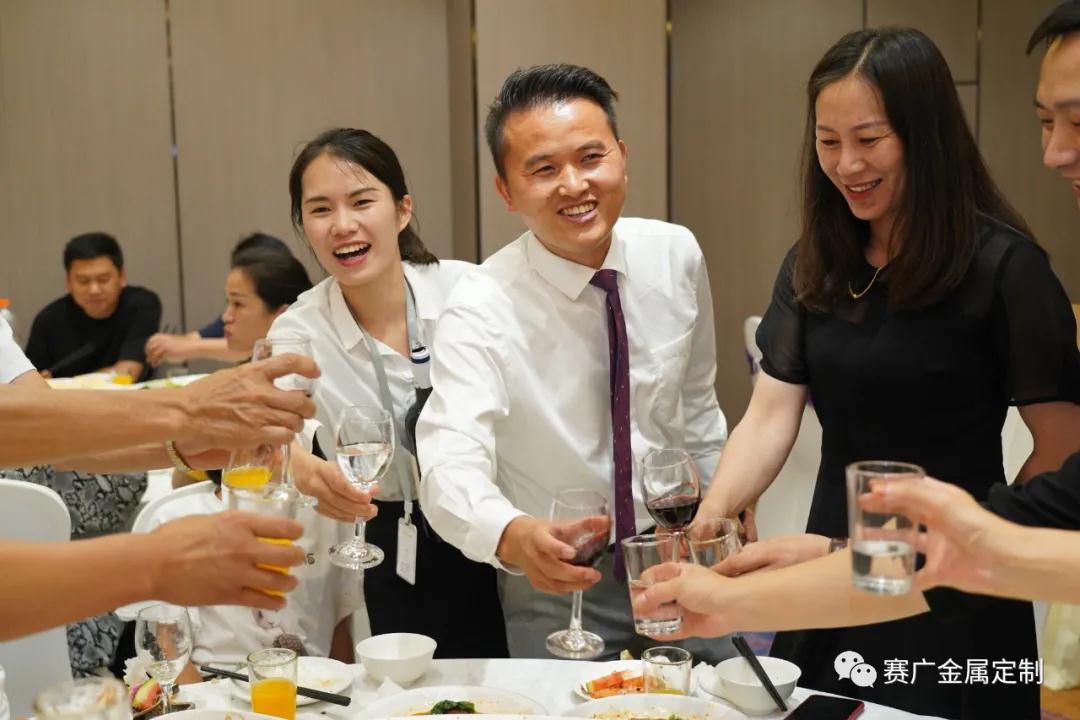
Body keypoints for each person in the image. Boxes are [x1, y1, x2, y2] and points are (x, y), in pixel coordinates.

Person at [686, 26, 1080, 719]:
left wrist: (991, 540)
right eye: (828, 141)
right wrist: (713, 513)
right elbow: (771, 412)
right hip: (825, 566)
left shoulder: (1004, 268)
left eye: (869, 140)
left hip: (950, 584)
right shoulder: (816, 260)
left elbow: (1061, 446)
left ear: (925, 137)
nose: (847, 165)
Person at [415, 64, 730, 661]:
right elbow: (449, 458)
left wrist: (721, 507)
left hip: (680, 551)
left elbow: (696, 404)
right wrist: (513, 535)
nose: (574, 184)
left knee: (726, 696)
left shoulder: (675, 254)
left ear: (622, 157)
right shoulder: (480, 304)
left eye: (591, 157)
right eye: (543, 169)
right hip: (559, 577)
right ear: (506, 191)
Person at [275, 127, 508, 658]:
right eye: (320, 210)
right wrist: (304, 468)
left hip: (490, 521)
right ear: (304, 227)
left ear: (402, 210)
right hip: (382, 538)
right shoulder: (300, 329)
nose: (343, 225)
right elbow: (263, 430)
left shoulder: (466, 291)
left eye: (362, 202)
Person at [144, 233, 296, 368]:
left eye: (238, 303)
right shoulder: (234, 316)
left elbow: (246, 347)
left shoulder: (299, 328)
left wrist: (192, 348)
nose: (226, 317)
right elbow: (198, 338)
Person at [26, 232, 161, 381]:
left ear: (122, 276)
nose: (94, 290)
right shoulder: (48, 320)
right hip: (65, 397)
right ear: (68, 282)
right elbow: (30, 381)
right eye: (83, 281)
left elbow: (127, 374)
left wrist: (66, 384)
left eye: (103, 279)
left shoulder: (141, 305)